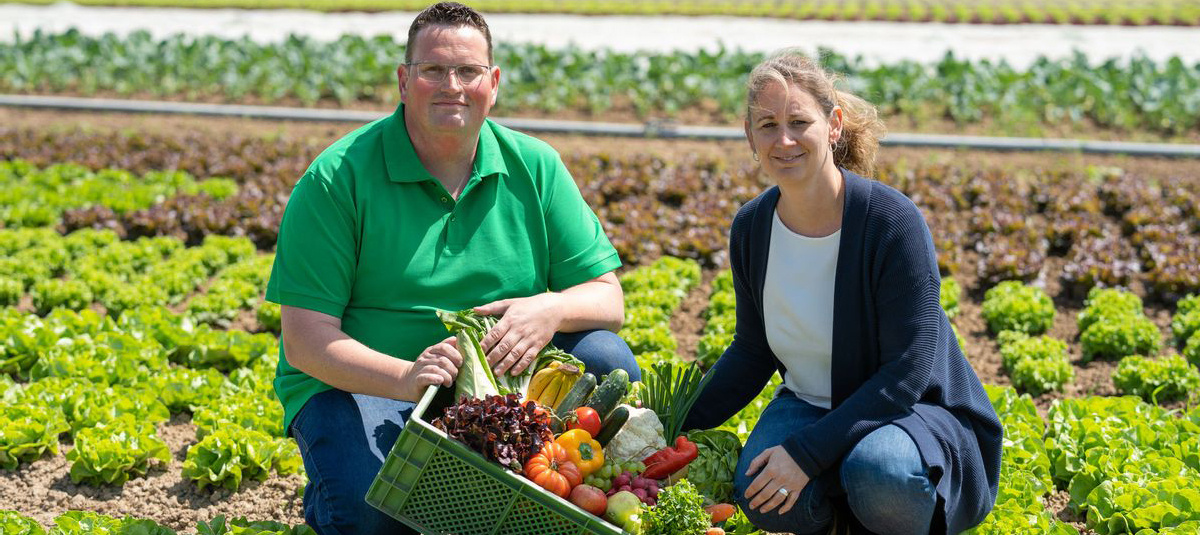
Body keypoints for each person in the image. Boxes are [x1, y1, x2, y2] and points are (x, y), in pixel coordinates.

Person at [263, 3, 640, 533]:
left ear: (494, 82)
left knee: (604, 354)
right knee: (372, 516)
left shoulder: (535, 165)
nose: (452, 86)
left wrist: (549, 308)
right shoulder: (337, 178)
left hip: (502, 385)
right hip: (366, 385)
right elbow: (305, 341)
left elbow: (608, 298)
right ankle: (338, 489)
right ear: (403, 80)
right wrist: (407, 378)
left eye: (468, 71)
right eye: (433, 70)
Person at [682, 50, 1002, 535]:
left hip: (913, 410)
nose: (783, 140)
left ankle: (892, 511)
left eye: (798, 122)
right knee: (759, 490)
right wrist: (675, 418)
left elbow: (908, 370)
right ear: (749, 136)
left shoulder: (891, 222)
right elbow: (752, 352)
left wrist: (806, 453)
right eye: (767, 125)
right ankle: (845, 524)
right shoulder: (751, 228)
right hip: (811, 401)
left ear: (833, 125)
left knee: (881, 474)